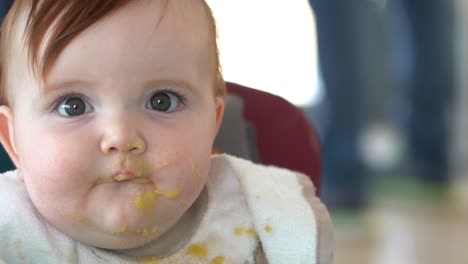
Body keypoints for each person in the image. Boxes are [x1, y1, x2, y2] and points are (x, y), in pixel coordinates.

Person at [0, 0, 331, 263]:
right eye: (72, 105)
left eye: (162, 101)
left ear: (213, 124)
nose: (121, 137)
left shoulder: (268, 220)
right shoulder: (9, 234)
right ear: (14, 139)